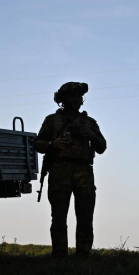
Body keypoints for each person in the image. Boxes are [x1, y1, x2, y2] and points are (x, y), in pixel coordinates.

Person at [34, 82, 107, 257]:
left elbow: (102, 146)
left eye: (79, 97)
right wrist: (53, 144)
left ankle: (83, 254)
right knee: (58, 217)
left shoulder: (89, 122)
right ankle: (59, 256)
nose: (76, 100)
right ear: (63, 100)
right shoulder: (52, 120)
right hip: (60, 170)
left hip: (83, 170)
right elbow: (37, 143)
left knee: (85, 216)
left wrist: (92, 136)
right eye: (72, 96)